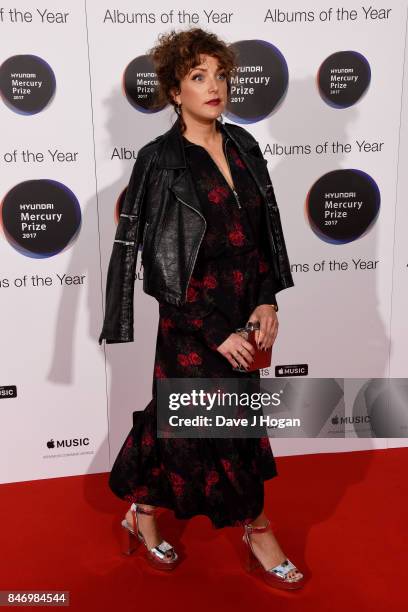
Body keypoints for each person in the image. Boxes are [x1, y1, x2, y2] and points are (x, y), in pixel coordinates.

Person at [99, 27, 305, 590]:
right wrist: (215, 331)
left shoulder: (244, 145)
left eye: (220, 74)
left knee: (181, 423)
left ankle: (141, 511)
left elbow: (263, 235)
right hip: (192, 323)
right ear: (173, 91)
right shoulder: (159, 161)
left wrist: (267, 300)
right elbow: (160, 268)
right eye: (197, 76)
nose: (213, 86)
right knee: (227, 424)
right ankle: (259, 530)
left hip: (244, 308)